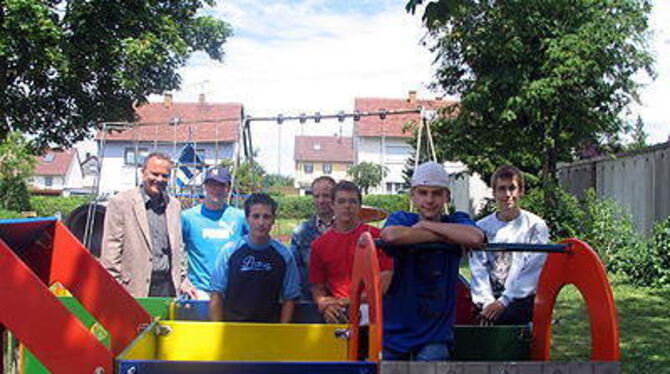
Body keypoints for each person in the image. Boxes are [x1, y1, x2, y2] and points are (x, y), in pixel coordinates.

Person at [380, 161, 484, 361]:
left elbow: (475, 238)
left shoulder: (457, 219)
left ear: (447, 196)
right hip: (395, 329)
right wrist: (448, 237)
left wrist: (426, 228)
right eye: (423, 193)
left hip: (435, 333)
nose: (430, 199)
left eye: (436, 193)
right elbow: (391, 236)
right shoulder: (402, 219)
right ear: (413, 195)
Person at [101, 152, 195, 298]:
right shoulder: (121, 202)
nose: (159, 179)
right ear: (143, 172)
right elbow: (111, 249)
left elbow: (178, 247)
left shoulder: (174, 205)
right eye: (154, 174)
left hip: (167, 287)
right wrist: (115, 288)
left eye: (165, 176)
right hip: (133, 289)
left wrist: (182, 279)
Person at [469, 165, 549, 325]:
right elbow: (478, 269)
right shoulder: (480, 227)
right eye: (501, 189)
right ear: (494, 193)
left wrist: (503, 302)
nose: (507, 195)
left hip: (520, 299)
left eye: (512, 188)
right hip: (488, 300)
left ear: (521, 191)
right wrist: (487, 303)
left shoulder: (535, 226)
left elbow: (533, 271)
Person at [309, 181, 394, 324]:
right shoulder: (319, 245)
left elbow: (384, 282)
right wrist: (324, 306)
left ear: (360, 206)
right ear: (332, 205)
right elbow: (318, 287)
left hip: (376, 312)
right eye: (341, 201)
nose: (347, 206)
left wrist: (349, 301)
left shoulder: (377, 237)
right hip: (340, 314)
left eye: (352, 201)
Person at [210, 193, 300, 323]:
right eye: (256, 216)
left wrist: (282, 331)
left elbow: (290, 298)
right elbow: (216, 294)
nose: (261, 222)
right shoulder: (229, 252)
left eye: (266, 217)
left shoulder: (284, 255)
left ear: (273, 219)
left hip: (269, 331)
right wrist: (217, 330)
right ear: (247, 219)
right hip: (233, 330)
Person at [181, 166, 247, 299]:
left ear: (228, 188)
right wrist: (182, 279)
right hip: (200, 291)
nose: (216, 190)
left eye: (221, 185)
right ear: (205, 187)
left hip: (233, 291)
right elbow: (175, 251)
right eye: (212, 185)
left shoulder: (240, 217)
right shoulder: (188, 217)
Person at [290, 176, 336, 301]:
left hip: (342, 301)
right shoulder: (300, 232)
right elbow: (295, 271)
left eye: (326, 195)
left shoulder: (348, 229)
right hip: (310, 302)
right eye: (316, 196)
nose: (321, 200)